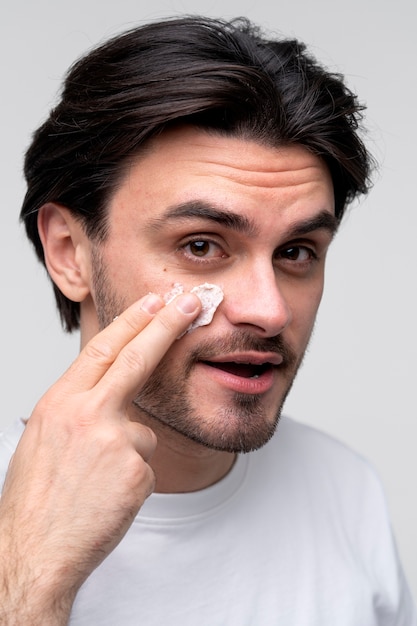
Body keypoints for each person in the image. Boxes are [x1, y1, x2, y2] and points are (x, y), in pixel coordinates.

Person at [0, 14, 415, 625]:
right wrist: (30, 578)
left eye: (297, 252)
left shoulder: (346, 492)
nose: (269, 311)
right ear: (70, 252)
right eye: (201, 246)